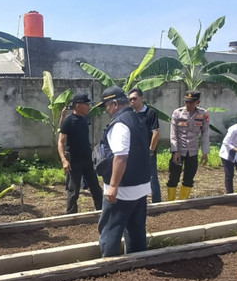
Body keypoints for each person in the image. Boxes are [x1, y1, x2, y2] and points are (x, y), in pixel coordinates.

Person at [94, 86, 150, 257]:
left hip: (123, 189)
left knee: (111, 227)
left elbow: (121, 157)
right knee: (136, 227)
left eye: (106, 106)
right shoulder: (137, 118)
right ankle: (138, 261)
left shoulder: (120, 124)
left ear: (115, 103)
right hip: (140, 186)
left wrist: (112, 186)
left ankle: (108, 265)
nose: (106, 110)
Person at [57, 93, 103, 214]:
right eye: (86, 104)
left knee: (96, 188)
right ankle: (71, 216)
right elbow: (61, 142)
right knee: (74, 190)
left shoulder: (85, 118)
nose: (89, 106)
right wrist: (64, 160)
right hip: (75, 160)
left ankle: (102, 211)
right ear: (78, 106)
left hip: (87, 158)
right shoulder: (68, 121)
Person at [167, 90, 210, 200]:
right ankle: (170, 202)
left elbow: (205, 133)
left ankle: (183, 202)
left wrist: (205, 152)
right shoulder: (177, 113)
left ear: (198, 102)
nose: (188, 105)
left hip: (193, 151)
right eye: (186, 102)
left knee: (189, 178)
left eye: (191, 102)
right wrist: (175, 151)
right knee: (173, 178)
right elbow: (173, 133)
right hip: (179, 151)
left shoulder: (203, 114)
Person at [129, 87, 161, 203]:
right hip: (134, 153)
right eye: (130, 100)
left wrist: (151, 150)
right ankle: (137, 201)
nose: (132, 101)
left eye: (134, 99)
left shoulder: (150, 113)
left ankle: (157, 202)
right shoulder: (130, 114)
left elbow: (156, 132)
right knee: (135, 178)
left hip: (147, 152)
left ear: (141, 98)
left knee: (152, 178)